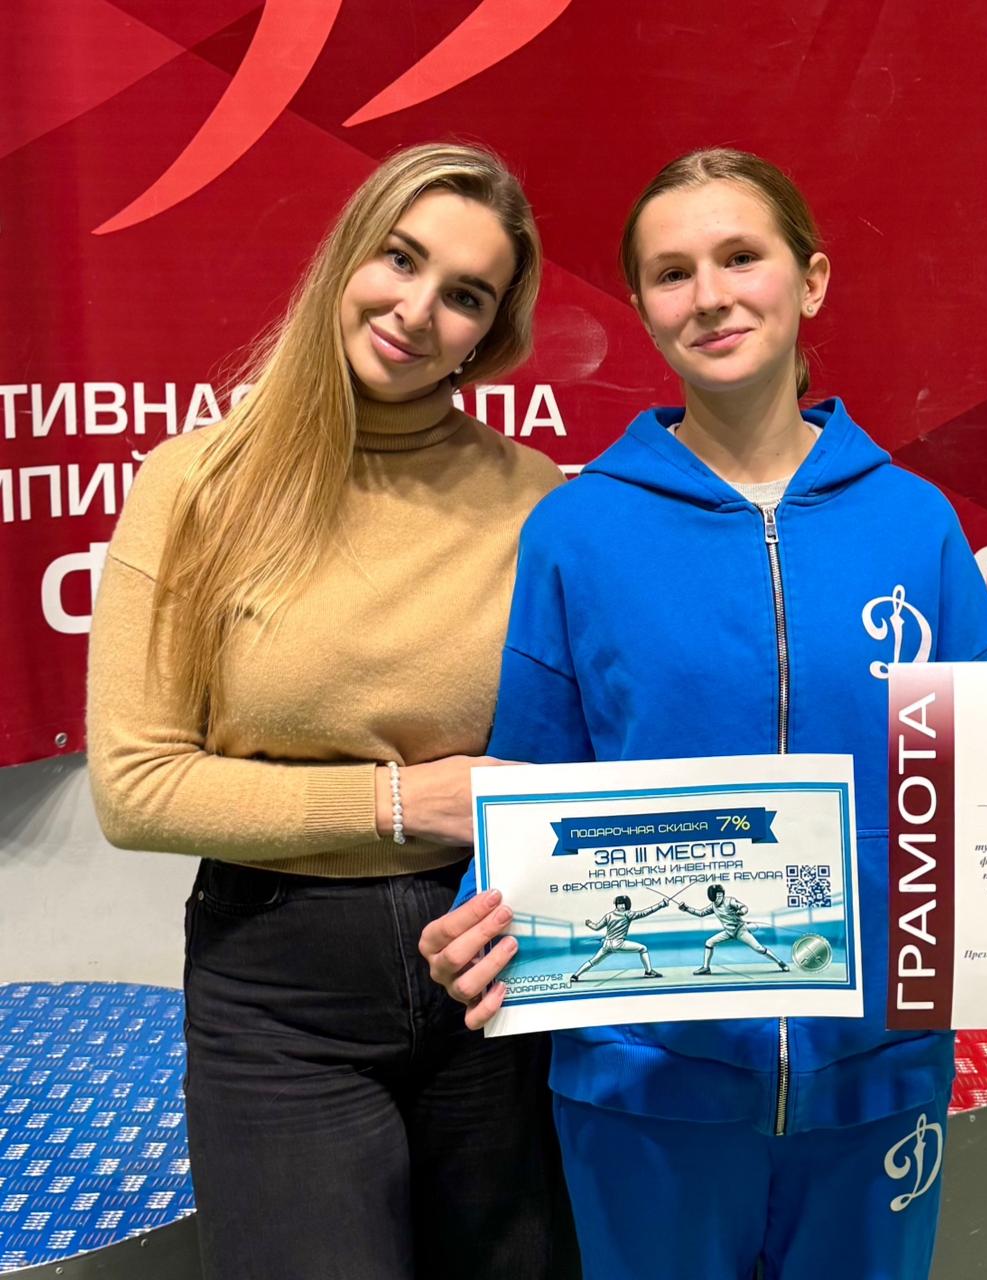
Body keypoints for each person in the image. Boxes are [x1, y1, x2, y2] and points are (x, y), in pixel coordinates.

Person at [419, 148, 987, 1279]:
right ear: (642, 307)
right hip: (644, 1089)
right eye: (672, 272)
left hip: (876, 1085)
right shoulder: (576, 532)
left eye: (741, 256)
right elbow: (531, 783)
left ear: (812, 280)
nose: (710, 294)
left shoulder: (915, 524)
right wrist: (479, 923)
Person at [87, 144, 578, 1280]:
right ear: (346, 255)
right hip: (279, 994)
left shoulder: (539, 500)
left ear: (488, 334)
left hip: (497, 968)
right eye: (399, 259)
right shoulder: (197, 483)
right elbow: (137, 786)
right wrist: (401, 800)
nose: (417, 310)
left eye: (465, 294)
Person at [680, 883, 789, 975]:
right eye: (717, 895)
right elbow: (700, 913)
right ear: (712, 896)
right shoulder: (713, 906)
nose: (719, 897)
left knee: (759, 948)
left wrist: (741, 911)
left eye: (720, 894)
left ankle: (780, 962)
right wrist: (686, 908)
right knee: (709, 942)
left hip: (740, 931)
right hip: (728, 932)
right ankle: (706, 968)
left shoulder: (730, 901)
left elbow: (743, 907)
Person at [571, 894, 665, 981]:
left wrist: (589, 923)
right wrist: (661, 904)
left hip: (607, 945)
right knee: (643, 949)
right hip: (619, 944)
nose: (622, 906)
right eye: (620, 904)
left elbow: (596, 927)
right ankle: (648, 972)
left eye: (624, 904)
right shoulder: (628, 914)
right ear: (616, 905)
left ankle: (575, 975)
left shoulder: (609, 915)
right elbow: (645, 913)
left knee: (594, 961)